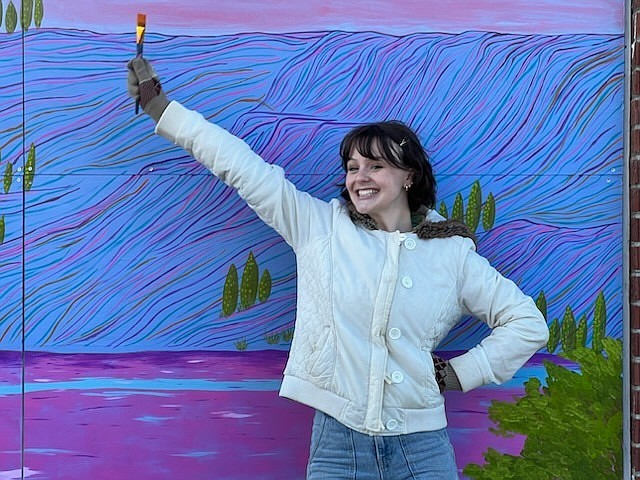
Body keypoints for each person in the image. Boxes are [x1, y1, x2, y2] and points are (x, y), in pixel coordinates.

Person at [127, 56, 549, 480]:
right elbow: (241, 167)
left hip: (422, 448)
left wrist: (461, 373)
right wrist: (161, 108)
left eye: (375, 166)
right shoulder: (320, 227)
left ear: (408, 177)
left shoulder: (451, 252)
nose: (359, 177)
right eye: (352, 168)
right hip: (338, 444)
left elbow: (527, 323)